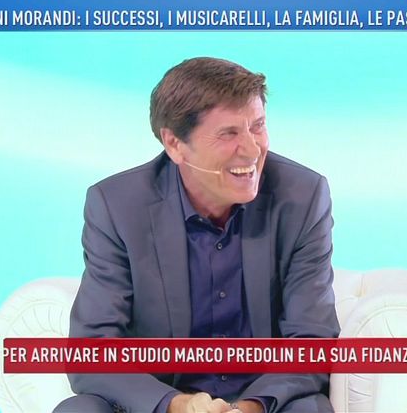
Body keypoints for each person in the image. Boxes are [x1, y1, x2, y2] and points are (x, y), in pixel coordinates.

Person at [55, 57, 339, 413]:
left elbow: (312, 340)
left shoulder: (302, 195)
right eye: (229, 134)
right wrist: (176, 404)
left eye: (257, 126)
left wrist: (251, 406)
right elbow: (92, 350)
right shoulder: (117, 206)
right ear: (174, 144)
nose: (253, 150)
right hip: (163, 400)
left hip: (266, 401)